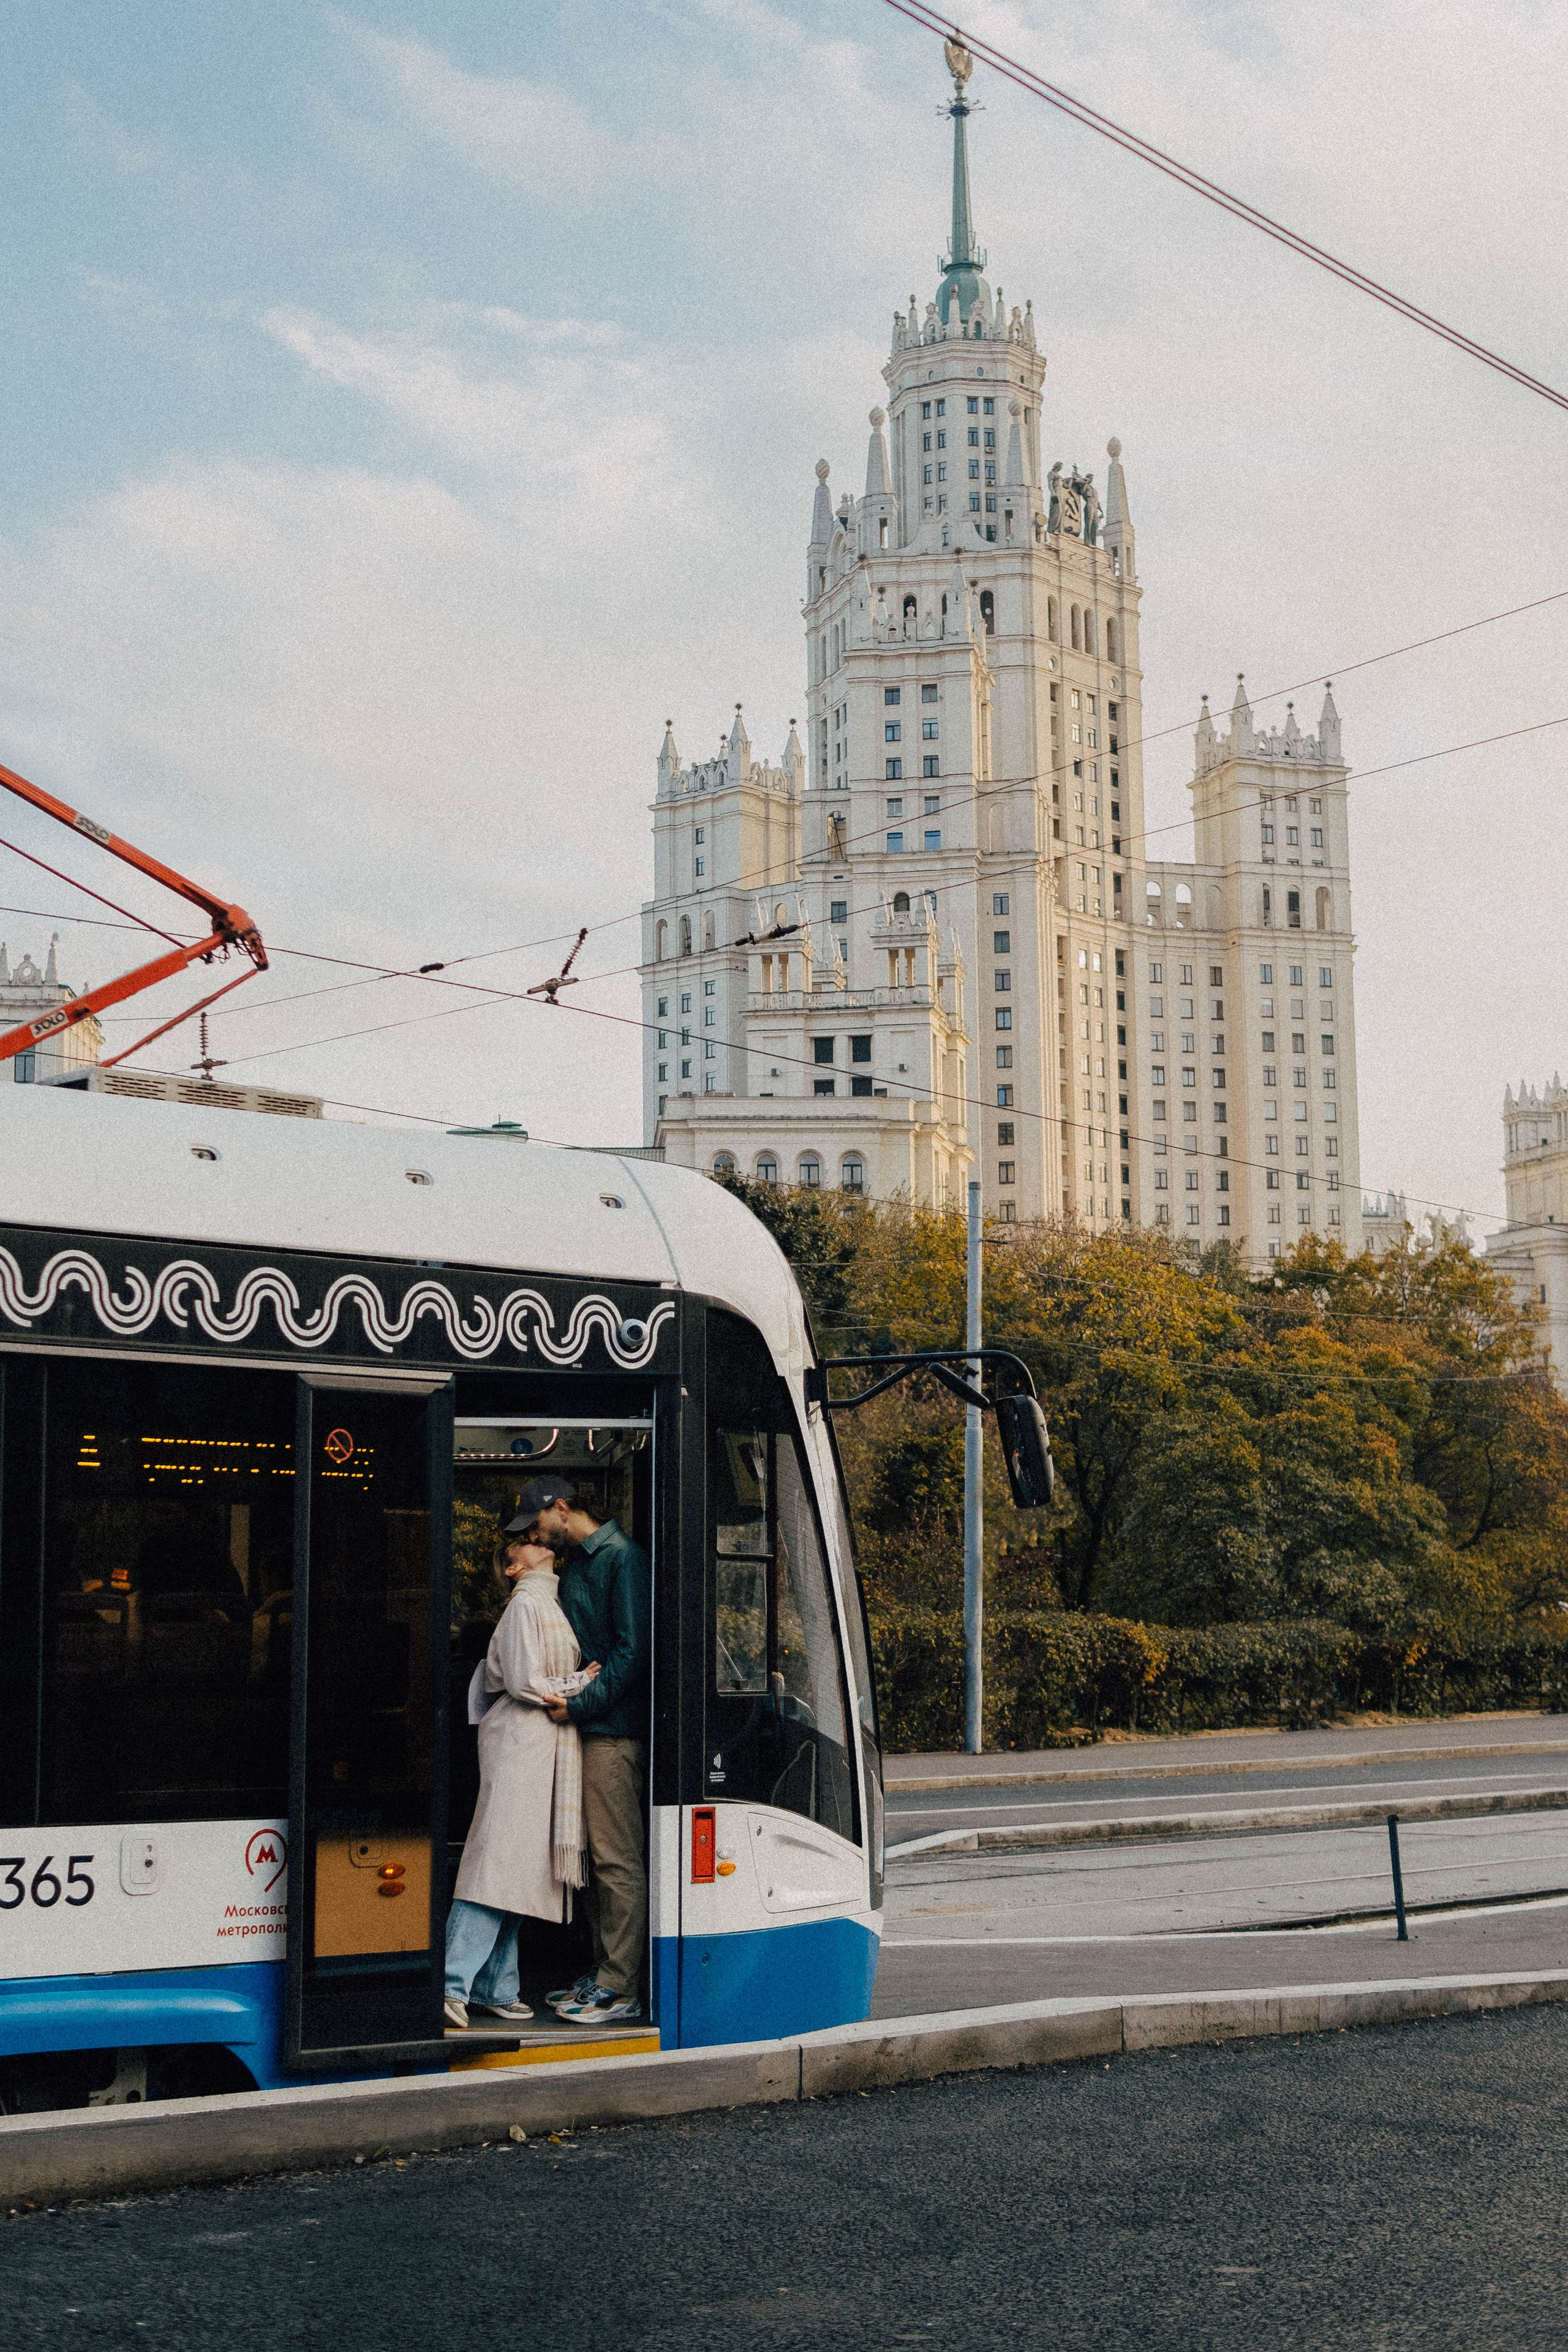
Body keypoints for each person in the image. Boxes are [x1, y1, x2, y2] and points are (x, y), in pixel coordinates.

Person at [504, 1476, 650, 2026]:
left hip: (610, 1732)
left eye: (537, 1526)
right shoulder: (586, 1563)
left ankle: (619, 1985)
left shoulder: (622, 1559)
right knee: (593, 1858)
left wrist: (578, 1705)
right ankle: (604, 1972)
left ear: (561, 1509)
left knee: (616, 1861)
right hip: (588, 1728)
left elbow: (633, 1653)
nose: (537, 1538)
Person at [443, 1534, 600, 2032]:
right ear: (514, 1569)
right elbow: (523, 1681)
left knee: (521, 1866)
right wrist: (579, 1683)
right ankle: (451, 1983)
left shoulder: (545, 1603)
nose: (535, 1542)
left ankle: (495, 1986)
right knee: (498, 1861)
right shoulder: (524, 1607)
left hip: (538, 1743)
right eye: (522, 1547)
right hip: (520, 1741)